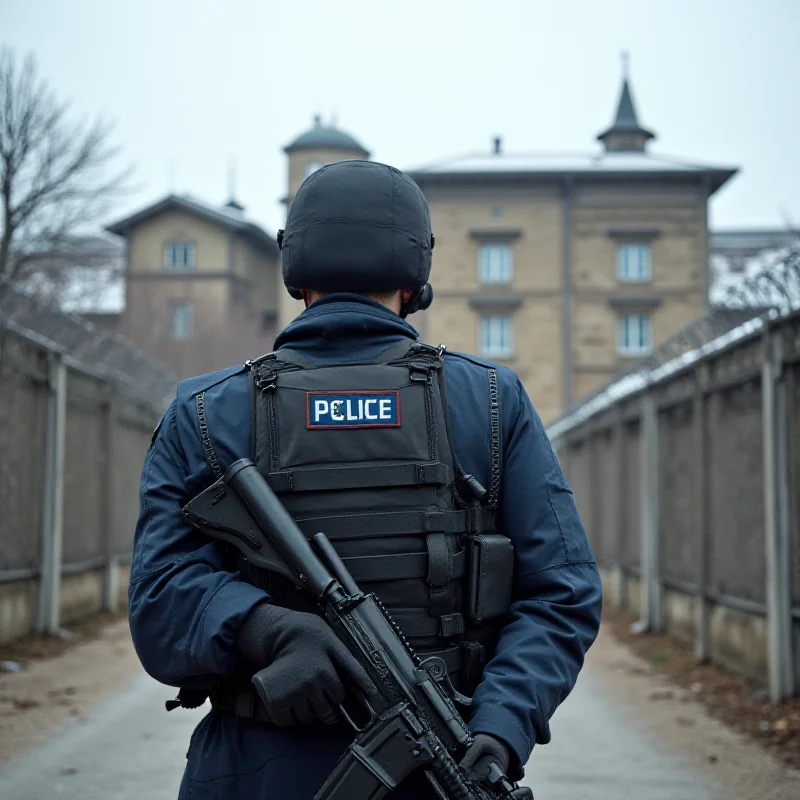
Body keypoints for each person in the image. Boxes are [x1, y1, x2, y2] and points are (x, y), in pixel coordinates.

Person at [128, 159, 603, 800]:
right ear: (416, 277)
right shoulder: (491, 400)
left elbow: (160, 601)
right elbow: (563, 591)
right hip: (451, 763)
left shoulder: (206, 410)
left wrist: (251, 624)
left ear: (296, 273)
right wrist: (502, 724)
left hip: (260, 776)